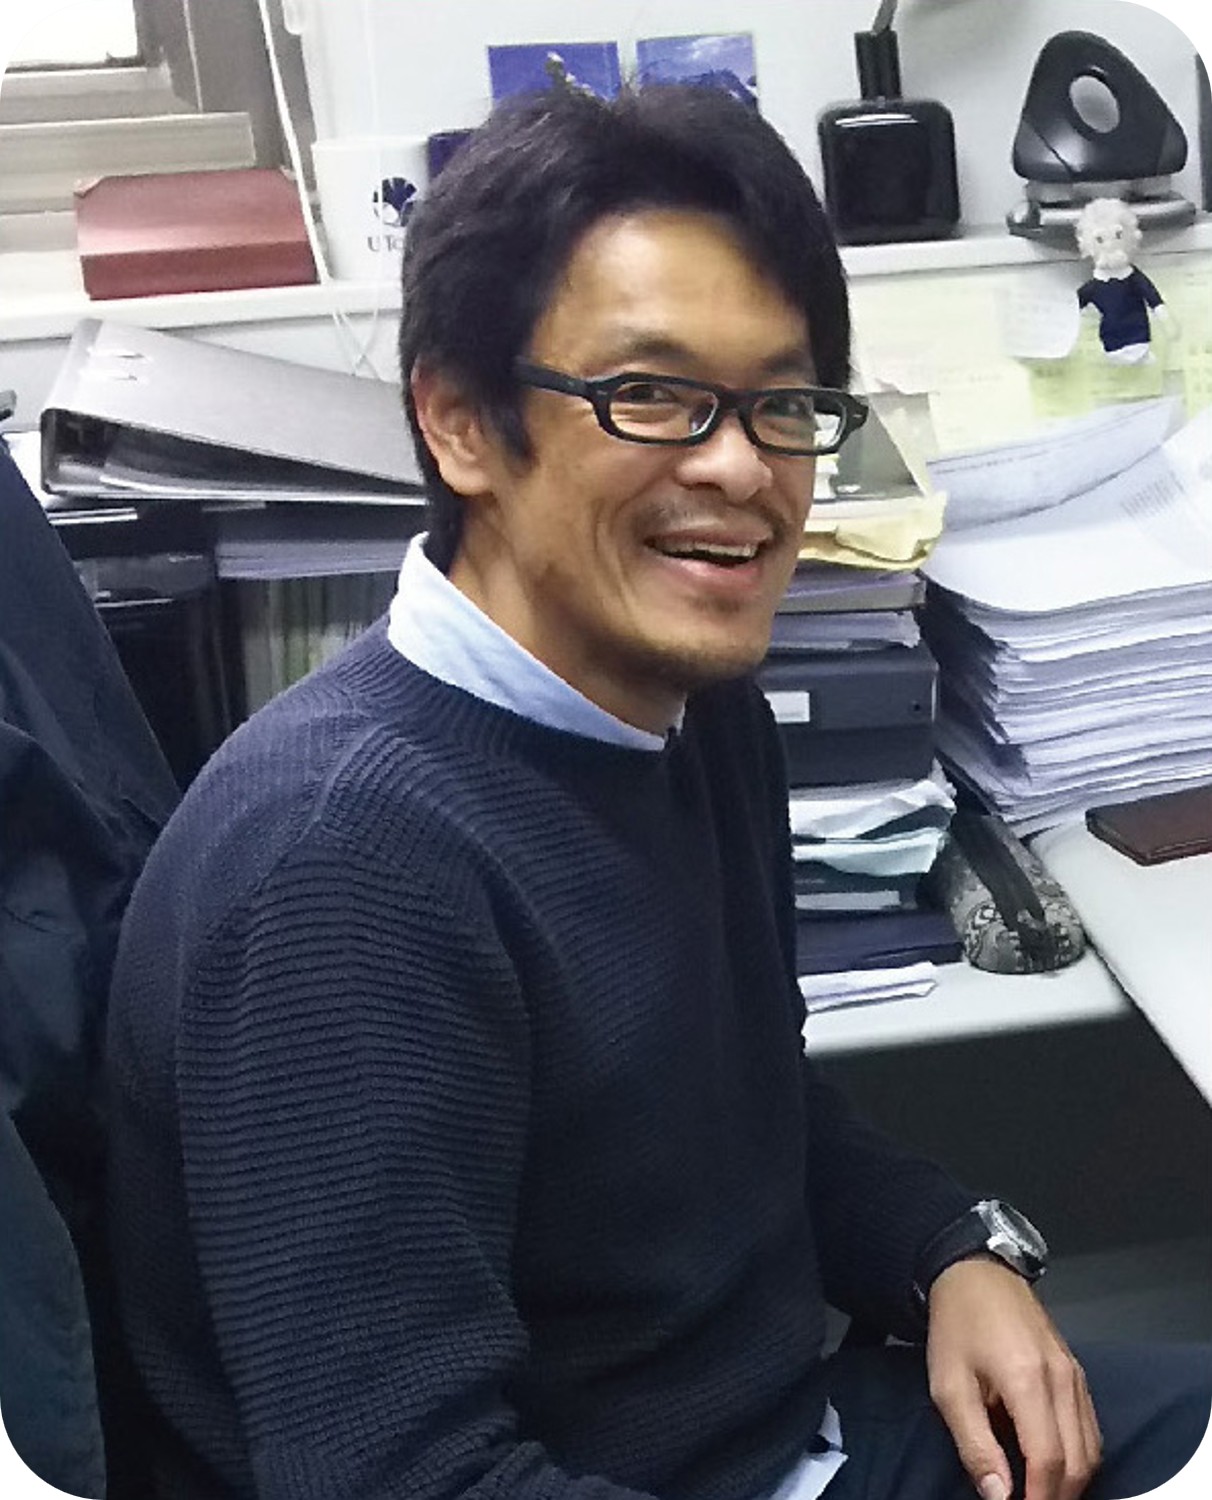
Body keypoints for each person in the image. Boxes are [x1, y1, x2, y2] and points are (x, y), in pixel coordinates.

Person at [104, 84, 1209, 1500]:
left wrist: (951, 1250)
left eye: (784, 403)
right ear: (458, 421)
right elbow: (402, 1476)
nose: (741, 466)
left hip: (788, 1435)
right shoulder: (343, 870)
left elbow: (742, 1118)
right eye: (653, 394)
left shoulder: (690, 712)